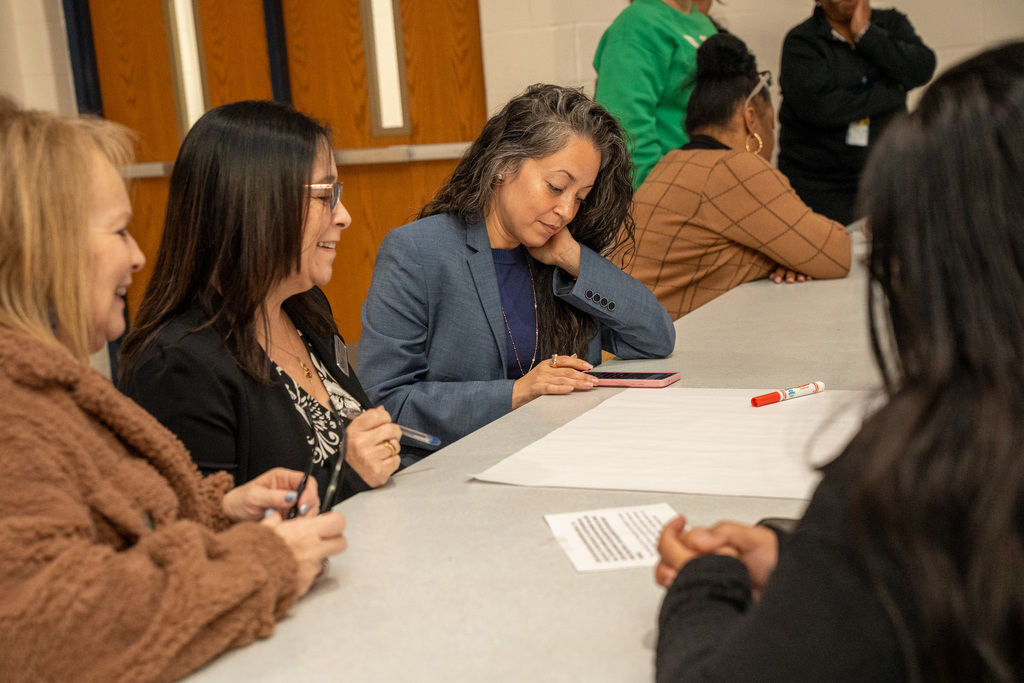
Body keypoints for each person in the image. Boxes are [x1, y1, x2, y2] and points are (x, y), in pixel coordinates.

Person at [653, 41, 1024, 682]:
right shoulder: (744, 171)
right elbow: (827, 246)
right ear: (752, 118)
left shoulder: (933, 464)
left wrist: (705, 579)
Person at [0, 100, 347, 681]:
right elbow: (53, 626)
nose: (138, 256)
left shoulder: (45, 387)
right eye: (118, 231)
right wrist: (265, 561)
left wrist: (217, 509)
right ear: (42, 248)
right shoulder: (17, 410)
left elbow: (110, 522)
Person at [359, 84, 675, 462]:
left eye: (579, 197)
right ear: (504, 165)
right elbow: (385, 403)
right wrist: (517, 392)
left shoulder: (558, 256)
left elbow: (655, 338)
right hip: (457, 468)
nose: (566, 211)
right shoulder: (418, 252)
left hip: (558, 456)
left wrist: (574, 258)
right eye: (556, 187)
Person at [120, 101, 401, 508]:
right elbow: (206, 535)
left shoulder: (304, 308)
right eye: (326, 195)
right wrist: (349, 474)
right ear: (257, 204)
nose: (344, 216)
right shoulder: (178, 365)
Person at [625, 34, 851, 319]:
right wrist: (782, 255)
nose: (772, 139)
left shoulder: (671, 163)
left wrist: (789, 254)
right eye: (771, 125)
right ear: (751, 119)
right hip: (635, 356)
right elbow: (836, 253)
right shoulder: (735, 168)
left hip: (610, 346)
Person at [778, 0, 935, 226]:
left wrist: (867, 34)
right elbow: (823, 109)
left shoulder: (890, 23)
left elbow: (921, 68)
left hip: (887, 175)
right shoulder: (801, 42)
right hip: (822, 184)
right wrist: (895, 91)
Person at [593, 0, 717, 189]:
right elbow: (625, 131)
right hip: (667, 194)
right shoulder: (636, 24)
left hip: (707, 182)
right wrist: (657, 196)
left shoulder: (701, 22)